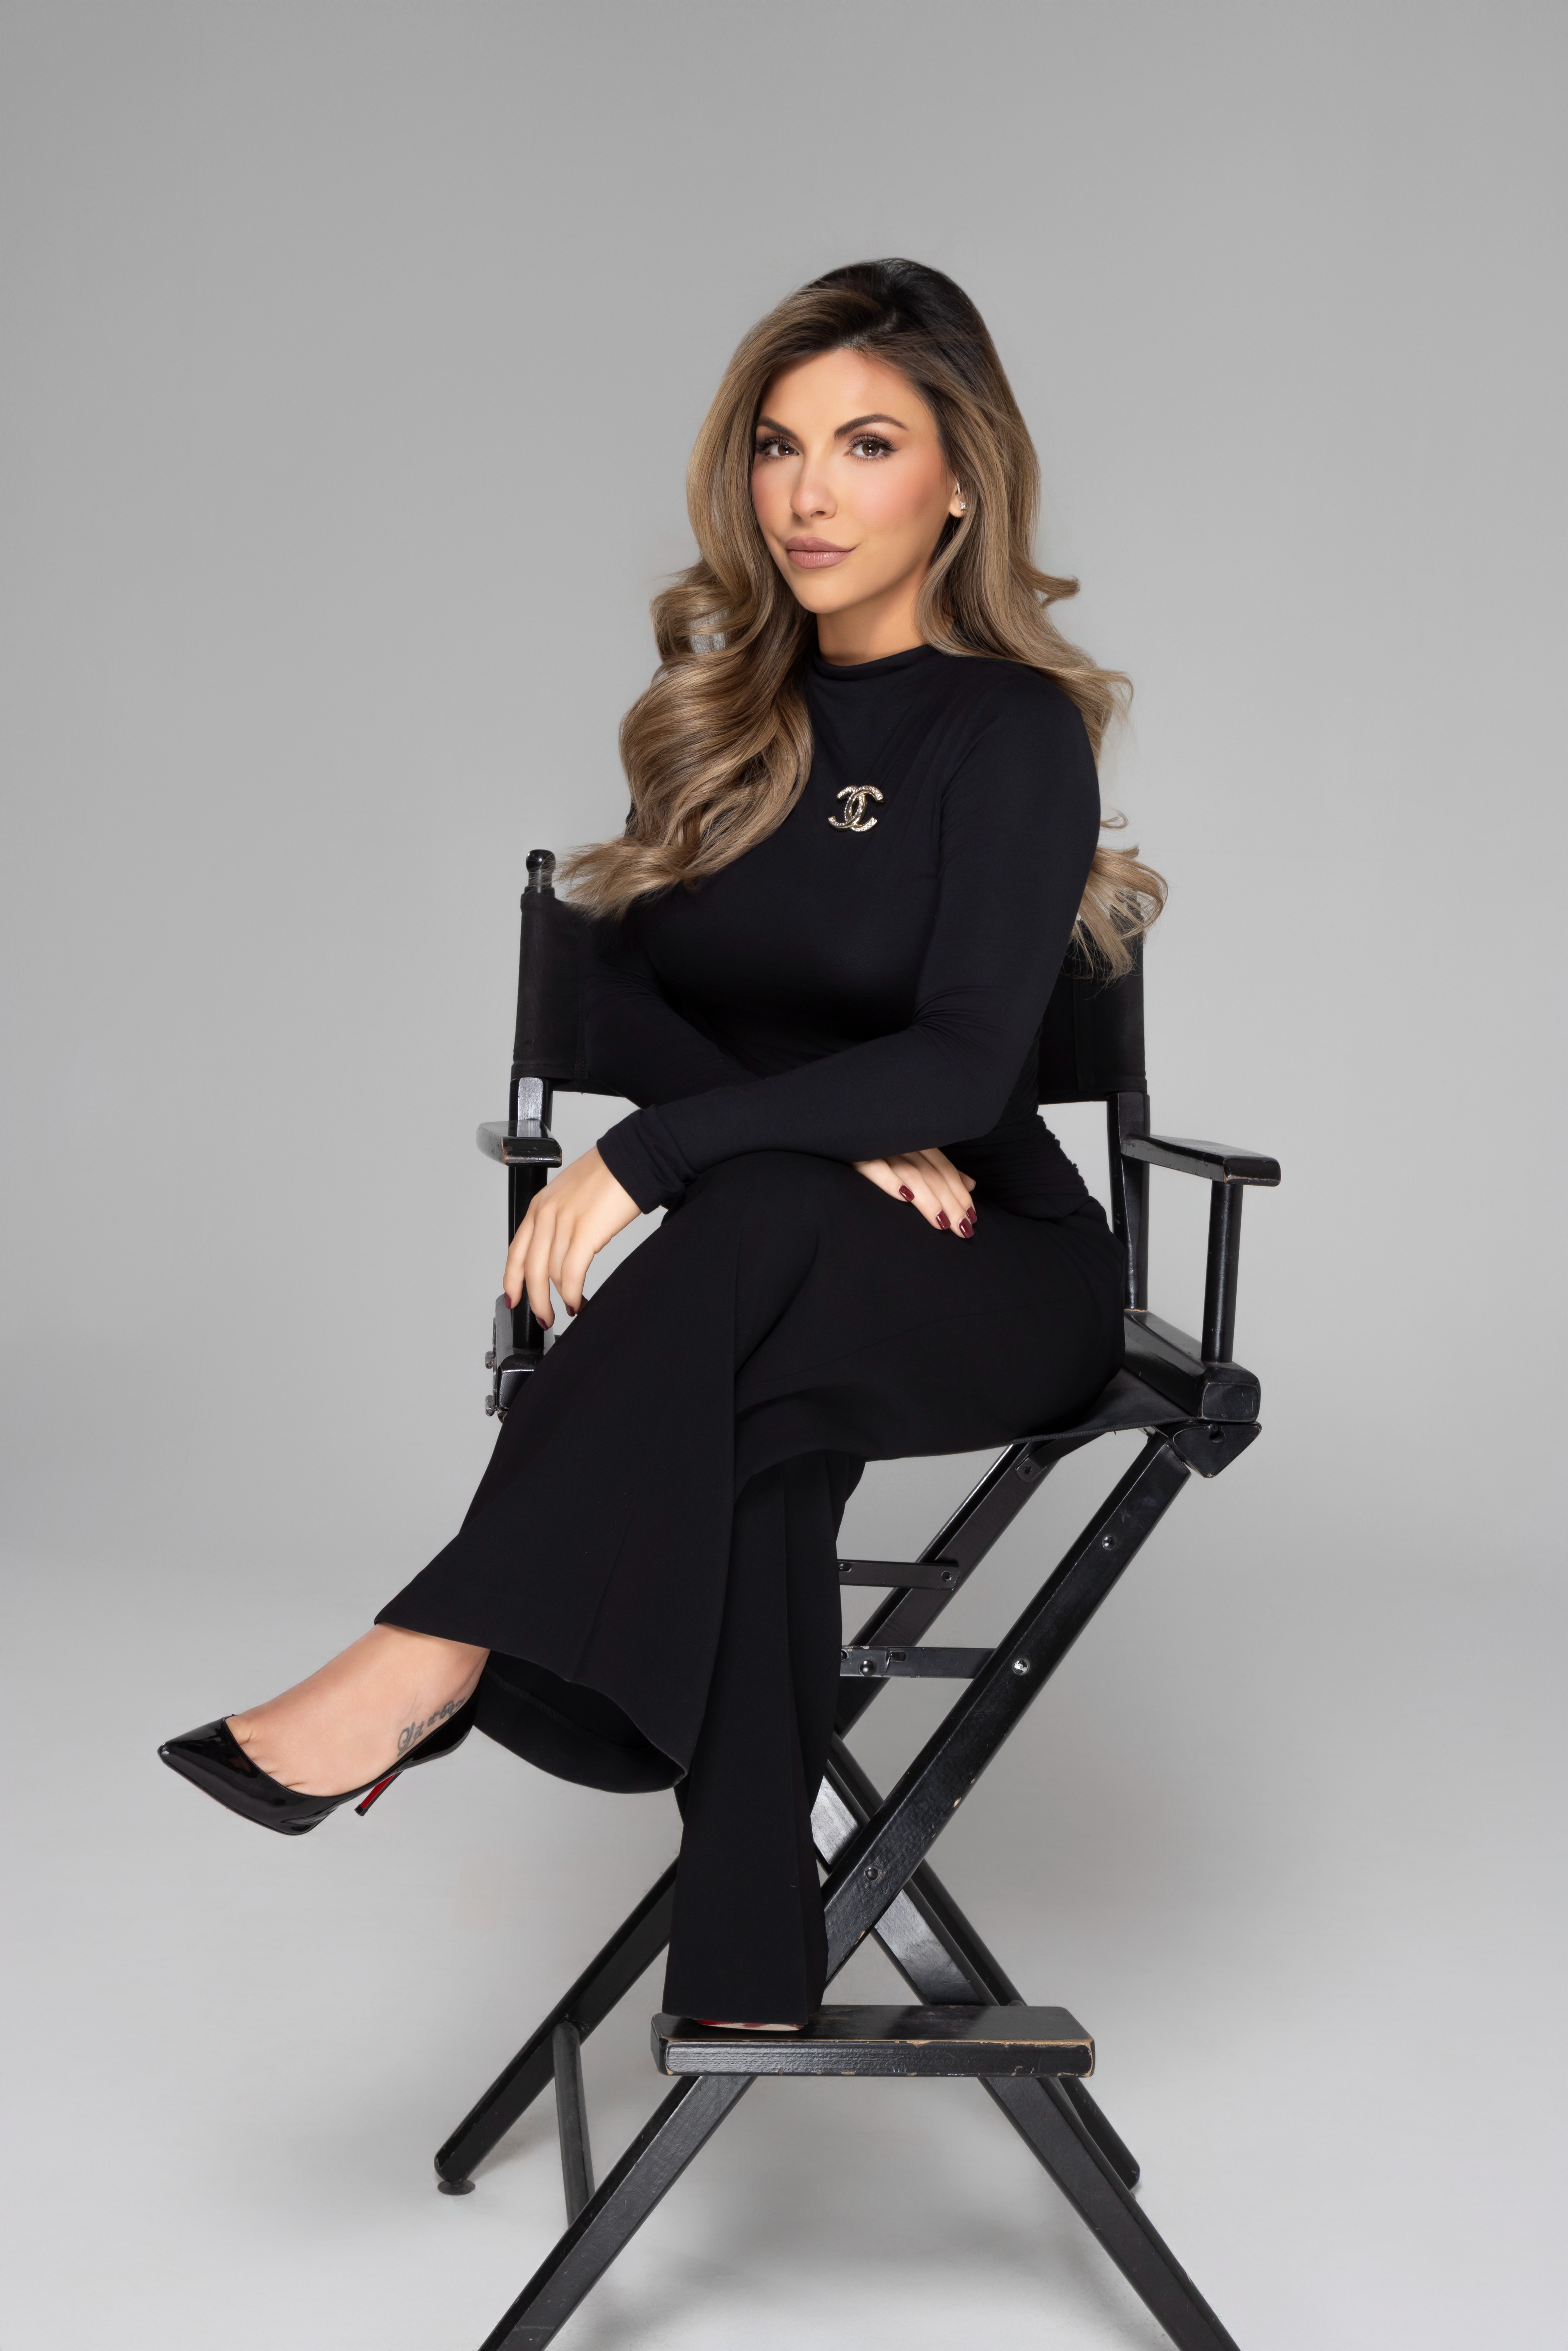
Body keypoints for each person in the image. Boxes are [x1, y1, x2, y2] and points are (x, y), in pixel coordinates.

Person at [160, 257, 1163, 2032]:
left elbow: (958, 1060)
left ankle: (437, 1650)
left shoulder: (1006, 734)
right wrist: (807, 1139)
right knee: (745, 1392)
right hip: (791, 1258)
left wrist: (675, 1154)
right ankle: (746, 1974)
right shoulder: (722, 727)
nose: (806, 492)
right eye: (777, 447)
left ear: (957, 480)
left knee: (741, 1231)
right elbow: (617, 1007)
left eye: (865, 443)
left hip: (988, 1270)